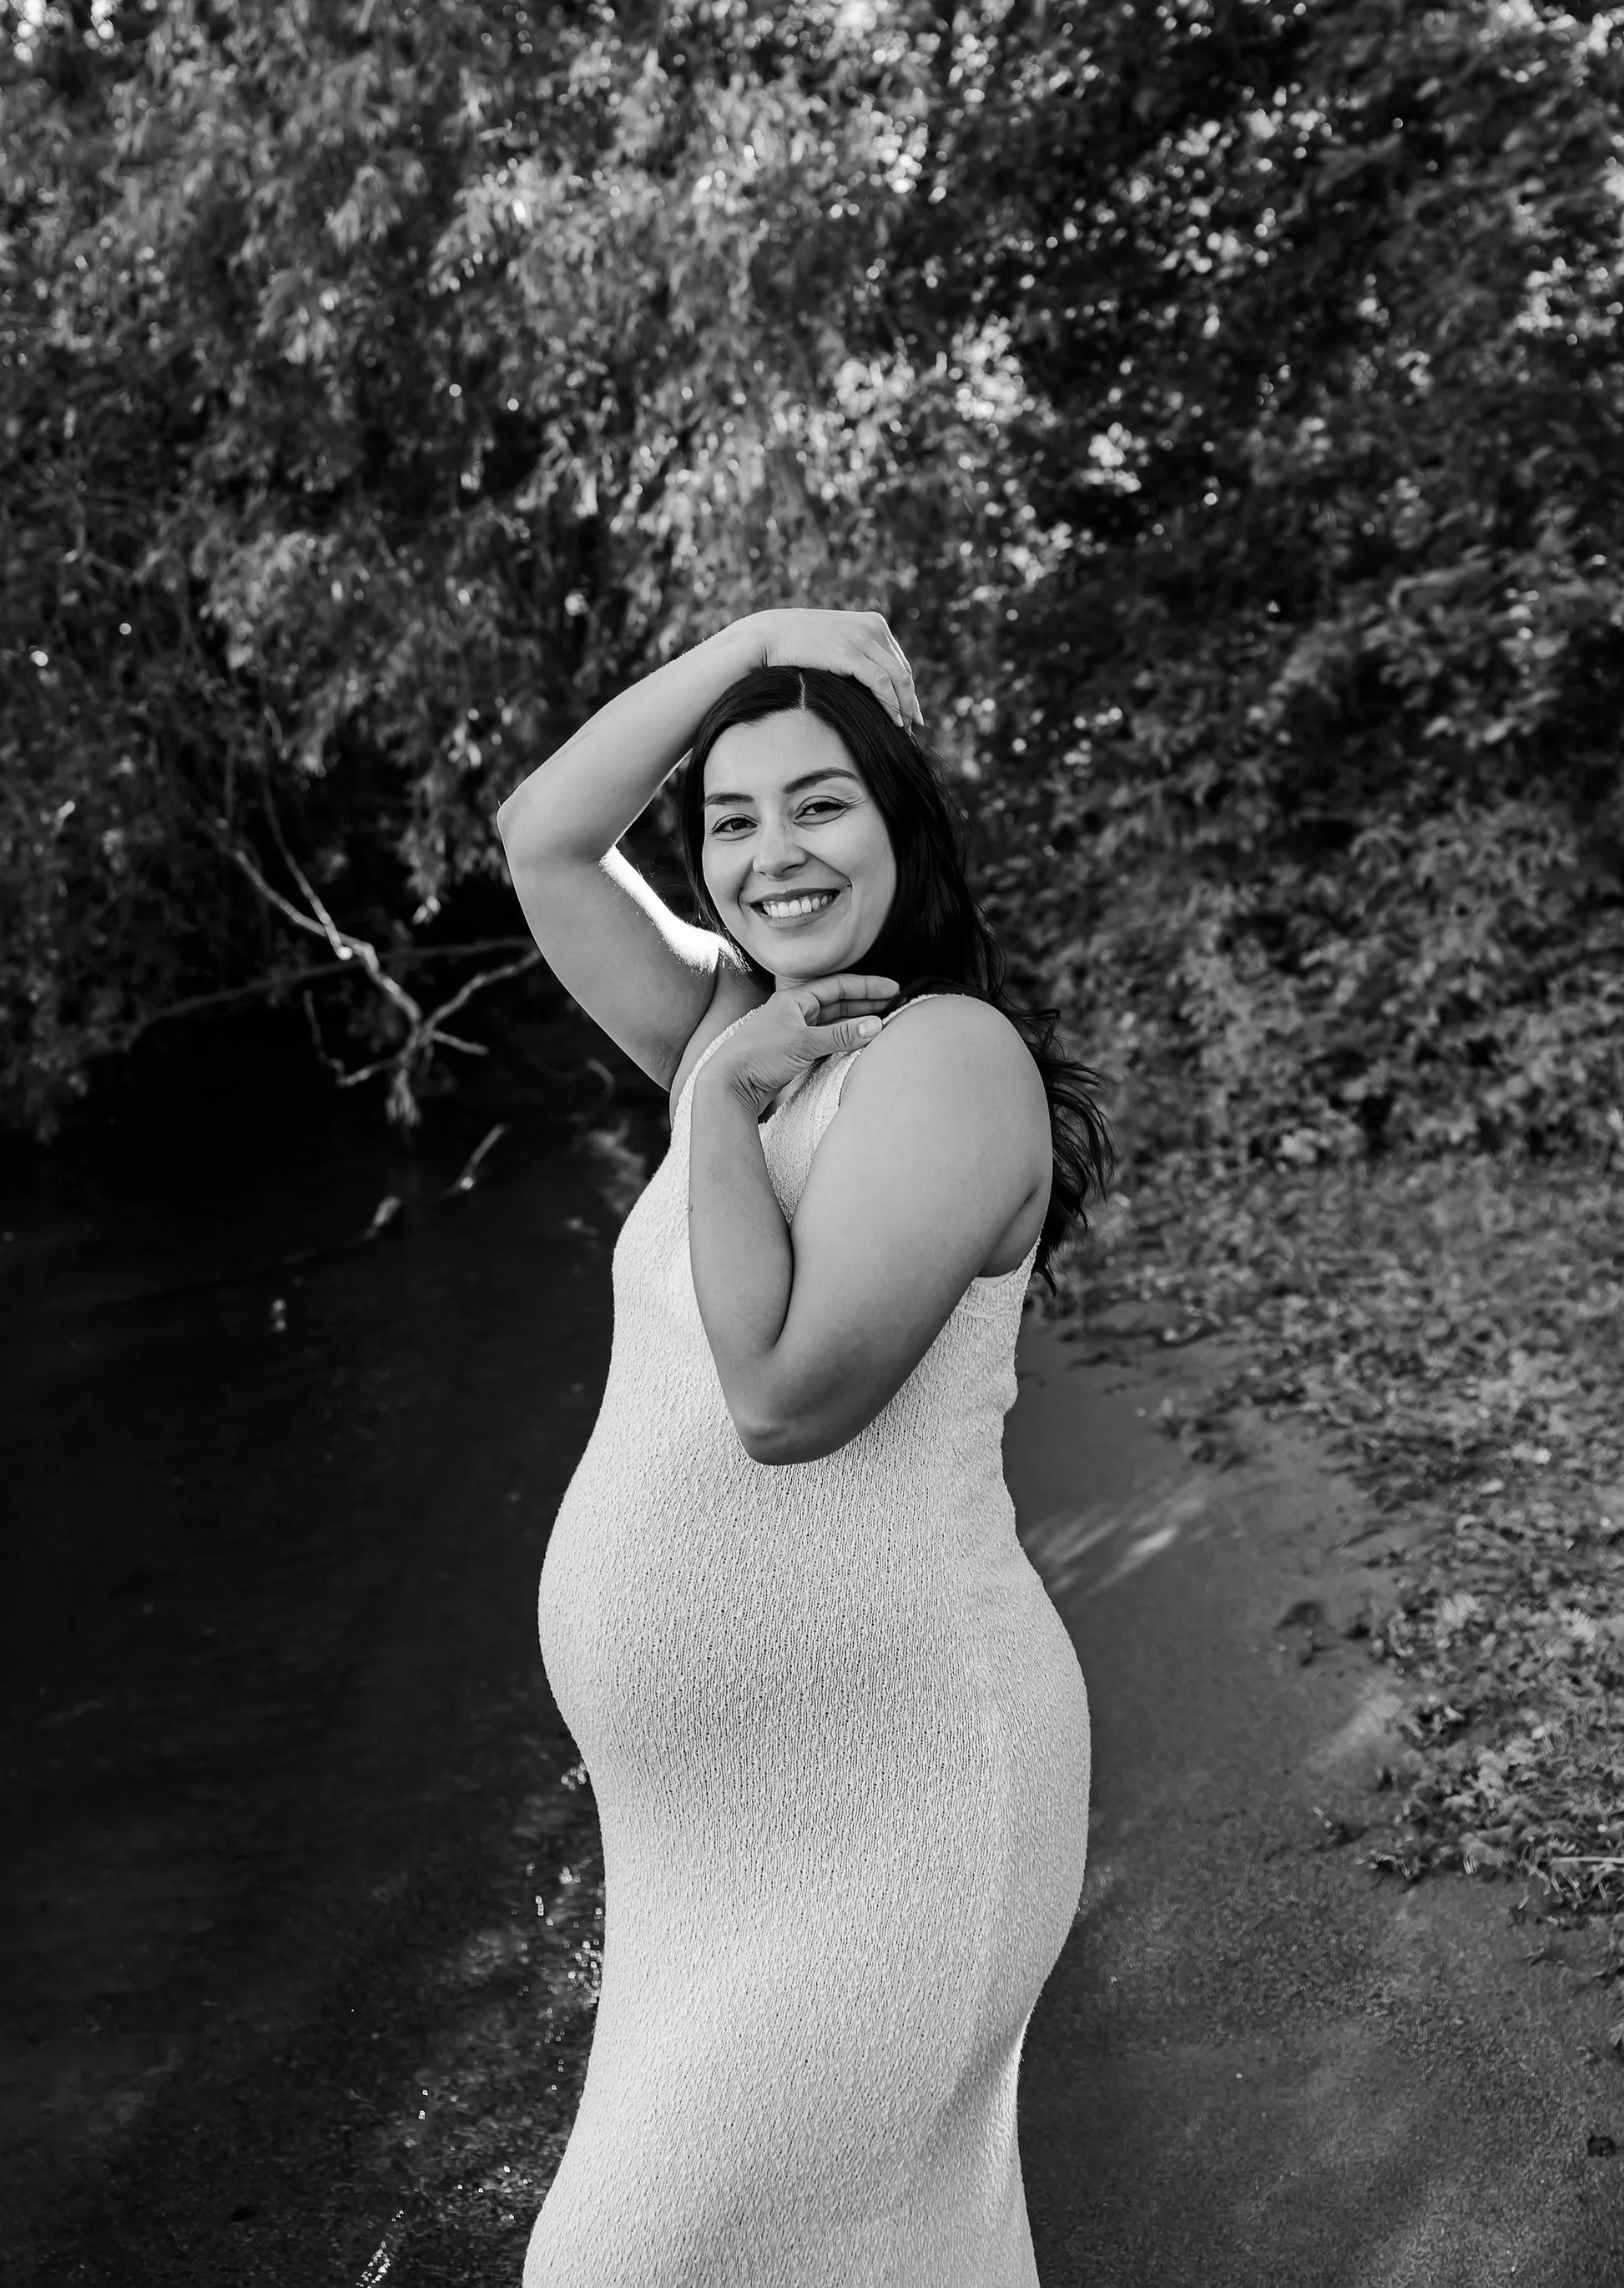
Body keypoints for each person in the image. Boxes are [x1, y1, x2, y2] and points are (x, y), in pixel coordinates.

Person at [497, 604, 1112, 2288]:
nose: (772, 853)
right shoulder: (738, 1033)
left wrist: (705, 1114)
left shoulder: (941, 1060)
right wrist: (759, 642)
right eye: (729, 819)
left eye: (820, 800)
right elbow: (541, 837)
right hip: (706, 1840)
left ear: (901, 824)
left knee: (628, 2262)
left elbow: (780, 1398)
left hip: (895, 1798)